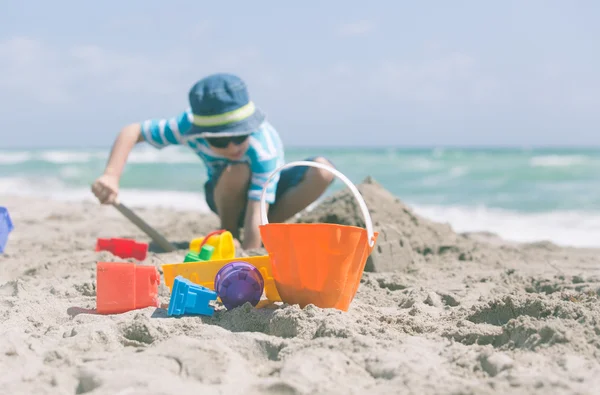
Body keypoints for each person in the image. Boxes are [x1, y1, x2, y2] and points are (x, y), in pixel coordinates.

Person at [91, 73, 335, 250]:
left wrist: (249, 255)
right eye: (220, 141)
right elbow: (133, 131)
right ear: (201, 134)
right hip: (223, 195)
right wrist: (111, 175)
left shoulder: (264, 147)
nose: (232, 147)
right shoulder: (187, 127)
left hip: (266, 200)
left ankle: (267, 234)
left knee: (322, 171)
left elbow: (256, 209)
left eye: (240, 136)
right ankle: (227, 233)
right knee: (237, 170)